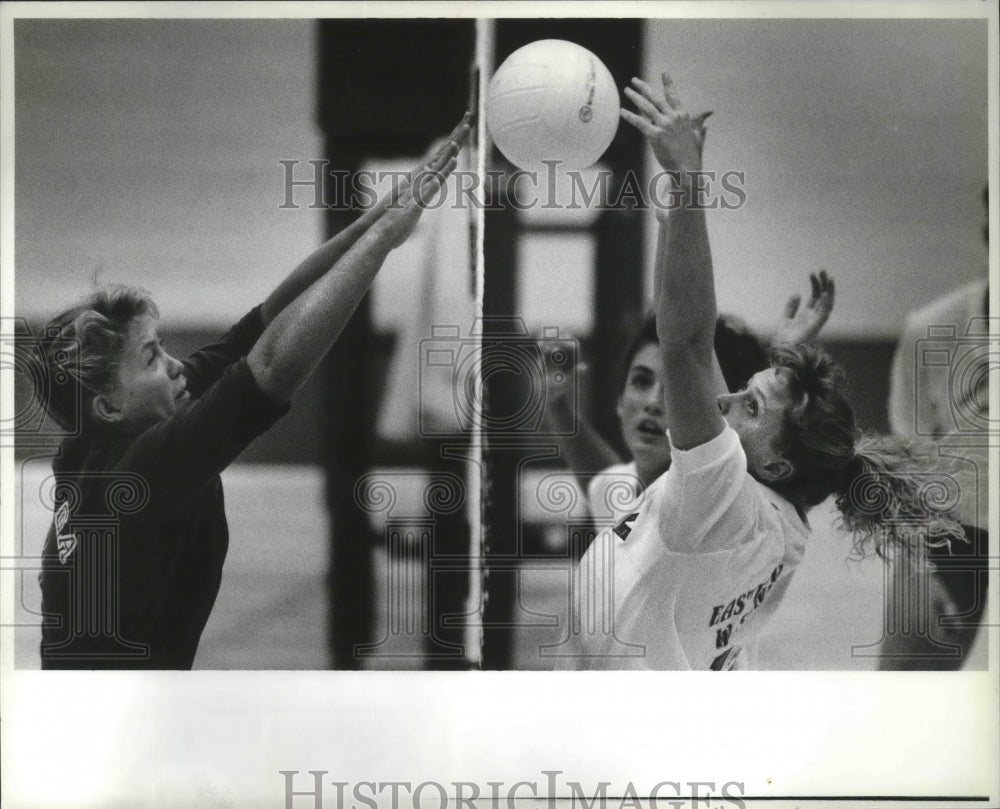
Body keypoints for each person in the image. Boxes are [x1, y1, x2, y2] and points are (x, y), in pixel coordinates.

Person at [34, 115, 470, 669]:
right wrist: (384, 242)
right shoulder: (131, 480)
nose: (176, 367)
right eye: (152, 357)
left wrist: (378, 220)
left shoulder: (107, 436)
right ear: (108, 405)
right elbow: (269, 365)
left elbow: (262, 325)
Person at [567, 74, 964, 671]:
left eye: (748, 406)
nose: (725, 399)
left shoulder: (719, 492)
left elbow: (687, 339)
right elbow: (707, 362)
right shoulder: (787, 511)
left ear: (776, 462)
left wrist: (686, 181)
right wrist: (783, 362)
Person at [545, 282, 834, 530]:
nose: (653, 402)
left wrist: (781, 364)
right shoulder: (614, 490)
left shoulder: (730, 509)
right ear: (619, 401)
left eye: (677, 390)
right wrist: (556, 405)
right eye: (641, 381)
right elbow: (603, 480)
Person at [881, 186, 990, 670]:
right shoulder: (933, 328)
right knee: (908, 703)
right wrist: (924, 569)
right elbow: (909, 461)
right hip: (948, 545)